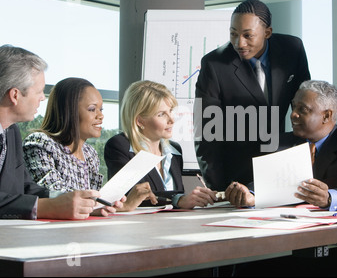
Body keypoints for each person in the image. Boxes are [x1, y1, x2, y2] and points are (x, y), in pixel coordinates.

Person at [230, 80, 337, 276]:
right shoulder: (283, 142)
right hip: (289, 248)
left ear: (326, 115)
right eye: (294, 107)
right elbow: (264, 180)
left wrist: (330, 198)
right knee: (245, 271)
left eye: (303, 109)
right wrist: (251, 194)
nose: (293, 114)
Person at [194, 0, 310, 191]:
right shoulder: (214, 64)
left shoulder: (292, 49)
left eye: (248, 35)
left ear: (267, 33)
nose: (239, 43)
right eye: (233, 34)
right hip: (236, 173)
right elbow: (206, 133)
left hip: (283, 167)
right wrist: (219, 189)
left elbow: (305, 107)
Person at [0, 44, 119, 220]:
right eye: (39, 91)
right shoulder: (38, 143)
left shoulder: (12, 132)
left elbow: (26, 187)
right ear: (15, 95)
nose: (43, 97)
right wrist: (44, 207)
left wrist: (82, 203)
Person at [22, 78, 153, 212]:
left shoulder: (90, 153)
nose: (101, 115)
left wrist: (116, 204)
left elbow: (93, 199)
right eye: (92, 109)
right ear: (69, 111)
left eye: (101, 109)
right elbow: (53, 193)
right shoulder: (39, 143)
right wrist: (96, 204)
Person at [105, 80, 219, 209]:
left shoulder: (175, 150)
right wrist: (178, 200)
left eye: (170, 111)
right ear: (140, 121)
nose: (172, 120)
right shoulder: (120, 146)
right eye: (161, 114)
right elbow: (131, 197)